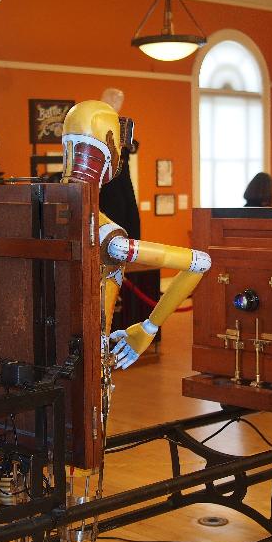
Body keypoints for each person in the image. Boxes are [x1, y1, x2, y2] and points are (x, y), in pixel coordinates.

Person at [61, 100, 211, 369]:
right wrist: (148, 328)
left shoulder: (39, 210)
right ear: (110, 150)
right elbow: (199, 262)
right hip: (87, 362)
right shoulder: (108, 236)